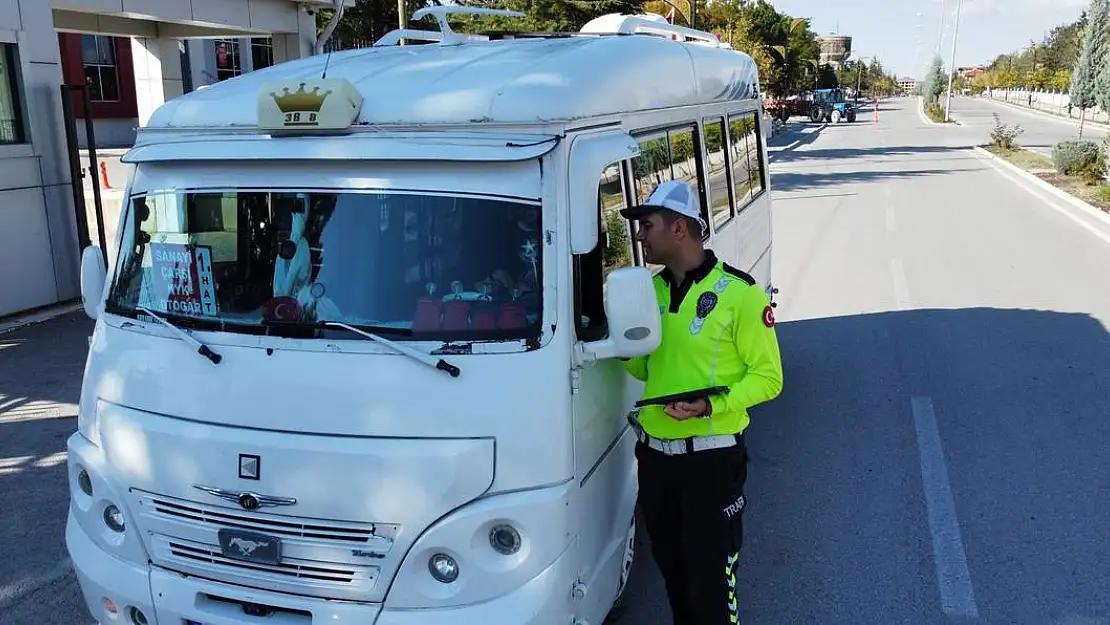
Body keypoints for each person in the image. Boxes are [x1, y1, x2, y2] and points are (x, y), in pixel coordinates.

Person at [618, 179, 784, 625]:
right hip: (655, 461)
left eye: (646, 225)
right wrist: (619, 339)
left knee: (711, 588)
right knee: (675, 579)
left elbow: (769, 379)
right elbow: (642, 371)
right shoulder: (646, 294)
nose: (639, 236)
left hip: (711, 464)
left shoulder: (740, 294)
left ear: (679, 230)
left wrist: (711, 406)